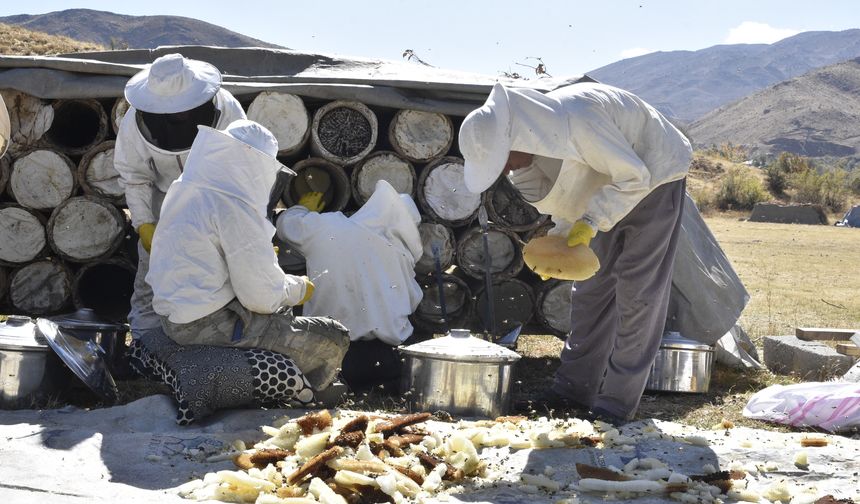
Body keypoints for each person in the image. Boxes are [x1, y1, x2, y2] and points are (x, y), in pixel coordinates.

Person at [459, 82, 692, 423]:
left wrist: (592, 221)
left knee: (637, 290)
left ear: (516, 137)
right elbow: (565, 201)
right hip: (607, 189)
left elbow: (634, 178)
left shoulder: (579, 119)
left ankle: (615, 403)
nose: (504, 170)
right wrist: (561, 240)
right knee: (590, 291)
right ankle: (573, 389)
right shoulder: (531, 150)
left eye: (502, 160)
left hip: (654, 175)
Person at [146, 119, 349, 394]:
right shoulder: (234, 205)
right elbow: (261, 298)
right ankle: (313, 392)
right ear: (258, 166)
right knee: (332, 336)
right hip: (207, 325)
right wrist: (298, 288)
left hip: (174, 320)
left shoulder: (185, 188)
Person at [114, 53, 247, 337]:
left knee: (220, 275)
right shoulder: (133, 122)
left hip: (214, 200)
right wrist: (144, 223)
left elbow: (242, 167)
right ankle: (144, 344)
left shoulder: (228, 109)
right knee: (150, 280)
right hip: (163, 202)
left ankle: (212, 342)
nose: (175, 114)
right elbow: (135, 176)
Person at [275, 179, 424, 391]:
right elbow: (411, 303)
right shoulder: (403, 258)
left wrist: (302, 208)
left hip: (329, 355)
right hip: (387, 361)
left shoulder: (329, 227)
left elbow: (286, 225)